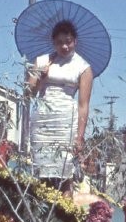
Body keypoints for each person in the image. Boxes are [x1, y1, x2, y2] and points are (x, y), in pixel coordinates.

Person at [26, 19, 94, 194]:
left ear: (75, 41)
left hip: (66, 120)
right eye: (59, 42)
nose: (64, 46)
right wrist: (40, 76)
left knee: (65, 175)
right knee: (41, 172)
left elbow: (83, 105)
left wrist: (80, 136)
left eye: (68, 42)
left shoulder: (84, 67)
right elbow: (28, 93)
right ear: (53, 42)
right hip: (43, 119)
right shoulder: (41, 60)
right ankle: (41, 218)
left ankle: (64, 218)